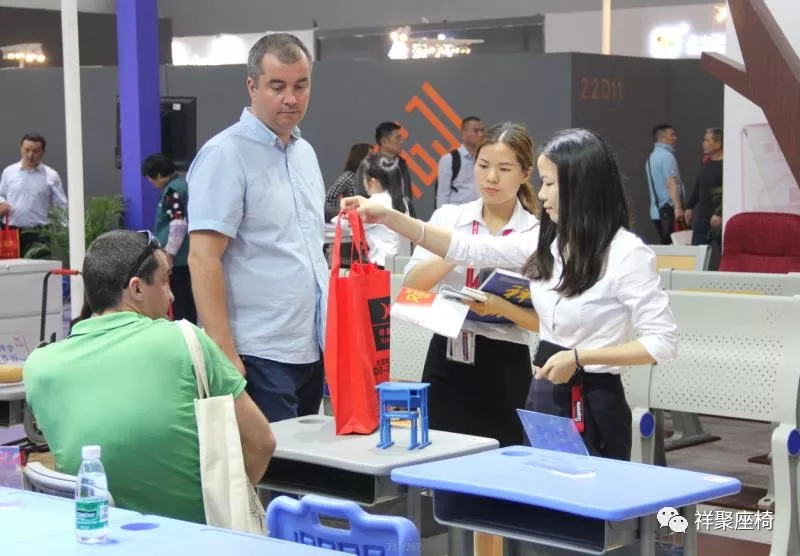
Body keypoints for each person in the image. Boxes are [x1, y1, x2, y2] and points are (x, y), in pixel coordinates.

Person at [342, 128, 678, 460]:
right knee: (532, 487)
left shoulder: (627, 253)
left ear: (581, 186)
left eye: (549, 184)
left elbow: (663, 342)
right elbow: (465, 247)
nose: (541, 195)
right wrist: (388, 217)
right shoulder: (546, 243)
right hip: (544, 390)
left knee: (588, 489)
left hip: (592, 396)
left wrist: (578, 358)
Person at [23, 230, 275, 523]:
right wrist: (227, 503)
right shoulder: (185, 341)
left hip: (96, 534)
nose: (172, 295)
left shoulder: (39, 368)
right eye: (165, 280)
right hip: (197, 538)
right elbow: (262, 442)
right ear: (137, 289)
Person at [187, 33, 328, 423]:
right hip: (256, 352)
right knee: (268, 460)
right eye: (277, 87)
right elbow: (202, 258)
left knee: (306, 458)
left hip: (310, 346)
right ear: (252, 86)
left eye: (301, 86)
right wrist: (222, 350)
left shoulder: (304, 153)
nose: (291, 99)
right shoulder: (225, 154)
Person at [404, 122, 539, 447]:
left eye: (504, 169)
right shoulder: (449, 219)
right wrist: (458, 249)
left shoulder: (535, 232)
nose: (491, 178)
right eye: (483, 166)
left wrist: (499, 307)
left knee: (503, 463)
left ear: (525, 173)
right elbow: (410, 288)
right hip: (448, 357)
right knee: (439, 459)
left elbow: (544, 321)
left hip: (506, 362)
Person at [141, 153, 196, 323]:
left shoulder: (173, 191)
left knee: (180, 302)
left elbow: (178, 223)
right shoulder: (179, 186)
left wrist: (169, 254)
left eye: (151, 178)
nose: (151, 183)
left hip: (178, 260)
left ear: (158, 174)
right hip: (183, 257)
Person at [0, 133, 67, 257]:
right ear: (21, 149)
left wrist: (66, 232)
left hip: (39, 233)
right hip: (11, 231)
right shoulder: (9, 172)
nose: (30, 155)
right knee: (9, 266)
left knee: (39, 265)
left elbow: (61, 207)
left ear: (42, 152)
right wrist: (2, 203)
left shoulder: (51, 176)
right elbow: (1, 194)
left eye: (35, 151)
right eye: (27, 150)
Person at [355, 153, 410, 268]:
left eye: (364, 178)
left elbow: (348, 224)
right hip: (401, 264)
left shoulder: (375, 201)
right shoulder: (399, 200)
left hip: (381, 265)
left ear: (373, 181)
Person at [646, 124, 686, 245]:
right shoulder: (667, 157)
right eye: (672, 134)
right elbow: (671, 182)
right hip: (669, 211)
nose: (675, 137)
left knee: (667, 246)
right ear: (662, 137)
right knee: (676, 247)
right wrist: (678, 207)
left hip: (657, 212)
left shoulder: (651, 158)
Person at [685, 128, 724, 248]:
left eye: (707, 140)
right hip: (702, 215)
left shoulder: (727, 165)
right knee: (697, 249)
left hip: (719, 217)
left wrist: (719, 213)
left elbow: (728, 192)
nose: (704, 144)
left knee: (725, 249)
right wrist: (689, 206)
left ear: (718, 143)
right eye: (704, 140)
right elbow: (699, 185)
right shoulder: (706, 162)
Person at [436, 116, 484, 207]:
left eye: (482, 130)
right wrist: (441, 215)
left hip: (479, 211)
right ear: (463, 134)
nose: (481, 134)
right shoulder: (449, 160)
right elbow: (442, 195)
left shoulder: (485, 159)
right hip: (456, 212)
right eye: (476, 131)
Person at [372, 121, 415, 217]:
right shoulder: (370, 166)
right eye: (397, 138)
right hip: (380, 218)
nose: (401, 141)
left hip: (404, 218)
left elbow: (407, 195)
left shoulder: (402, 164)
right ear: (384, 142)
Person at [325, 143, 372, 221]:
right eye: (370, 156)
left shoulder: (370, 177)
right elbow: (330, 195)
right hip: (353, 221)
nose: (373, 159)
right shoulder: (349, 176)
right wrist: (336, 215)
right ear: (360, 157)